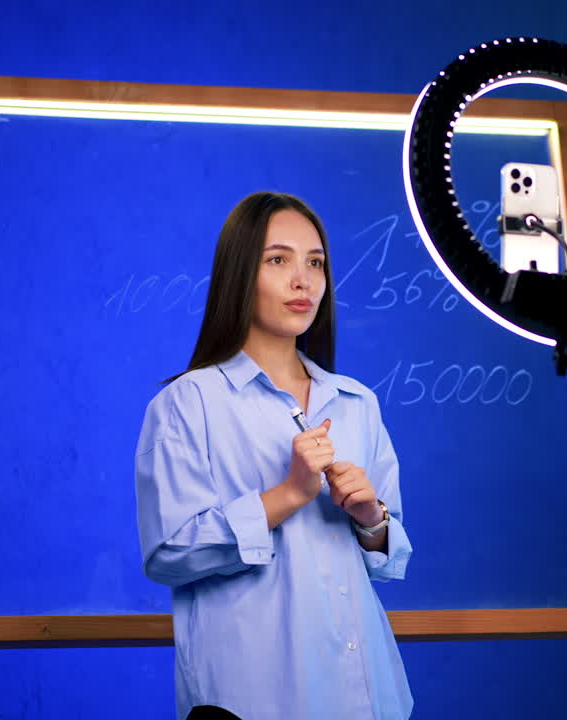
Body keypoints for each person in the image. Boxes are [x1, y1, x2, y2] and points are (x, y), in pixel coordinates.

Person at [134, 192, 413, 720]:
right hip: (252, 701)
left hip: (367, 694)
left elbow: (389, 555)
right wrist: (288, 495)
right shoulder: (187, 404)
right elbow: (168, 553)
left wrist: (369, 519)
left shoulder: (357, 402)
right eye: (278, 260)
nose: (302, 280)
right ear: (240, 273)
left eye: (315, 263)